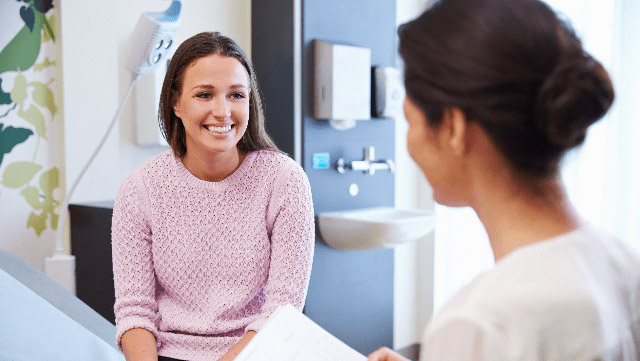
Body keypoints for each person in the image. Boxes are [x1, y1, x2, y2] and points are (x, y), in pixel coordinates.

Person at [368, 0, 640, 360]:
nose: (409, 145)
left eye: (410, 121)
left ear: (453, 127)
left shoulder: (479, 322)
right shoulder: (621, 263)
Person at [111, 32, 315, 361]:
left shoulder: (285, 182)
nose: (222, 111)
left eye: (236, 95)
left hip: (259, 352)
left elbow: (282, 312)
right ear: (175, 102)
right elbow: (135, 313)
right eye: (204, 94)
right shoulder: (139, 190)